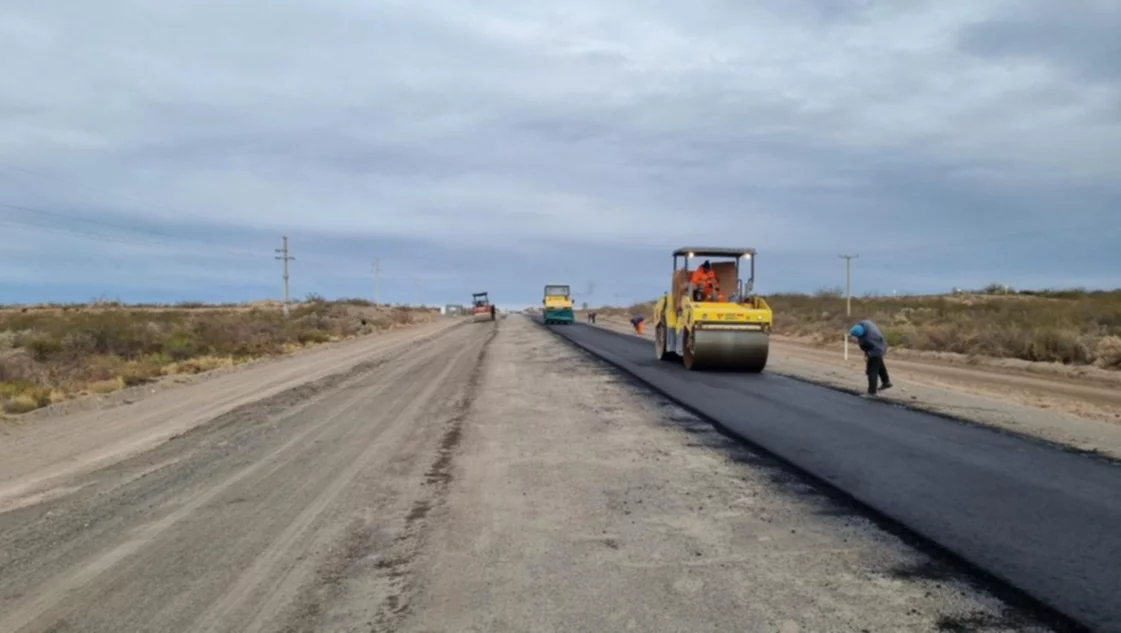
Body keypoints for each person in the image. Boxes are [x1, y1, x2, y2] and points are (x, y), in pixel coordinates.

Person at [849, 320, 893, 396]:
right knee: (879, 364)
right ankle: (886, 382)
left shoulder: (869, 339)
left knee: (872, 371)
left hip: (878, 348)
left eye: (856, 337)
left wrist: (868, 355)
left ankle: (872, 392)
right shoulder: (865, 324)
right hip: (879, 344)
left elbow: (875, 350)